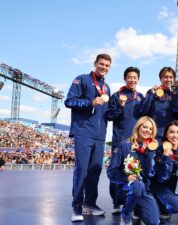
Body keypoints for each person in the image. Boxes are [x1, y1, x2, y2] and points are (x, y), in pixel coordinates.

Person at [64, 53, 112, 222]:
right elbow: (69, 101)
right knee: (82, 169)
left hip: (100, 135)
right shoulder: (82, 79)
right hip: (83, 132)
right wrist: (90, 103)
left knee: (95, 171)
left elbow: (107, 114)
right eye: (101, 64)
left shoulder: (107, 88)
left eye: (107, 65)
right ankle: (76, 206)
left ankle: (90, 204)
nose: (104, 67)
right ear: (95, 63)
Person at [107, 116, 160, 225]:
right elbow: (111, 172)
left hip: (144, 190)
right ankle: (126, 213)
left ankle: (137, 209)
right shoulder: (124, 145)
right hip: (125, 188)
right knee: (137, 186)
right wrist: (125, 178)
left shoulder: (152, 149)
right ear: (138, 127)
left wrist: (152, 154)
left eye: (150, 129)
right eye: (145, 127)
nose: (147, 130)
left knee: (154, 221)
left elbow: (152, 174)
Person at [106, 66, 145, 213]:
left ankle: (133, 199)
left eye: (135, 77)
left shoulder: (140, 97)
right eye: (130, 77)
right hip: (120, 140)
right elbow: (109, 116)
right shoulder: (117, 96)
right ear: (125, 78)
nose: (132, 80)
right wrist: (120, 107)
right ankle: (116, 201)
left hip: (136, 141)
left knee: (135, 170)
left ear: (138, 79)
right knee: (118, 170)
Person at [139, 67, 176, 141]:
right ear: (161, 78)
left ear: (174, 79)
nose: (168, 80)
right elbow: (143, 112)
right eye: (165, 77)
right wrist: (151, 94)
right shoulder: (152, 92)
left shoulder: (174, 95)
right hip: (154, 134)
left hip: (170, 136)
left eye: (171, 77)